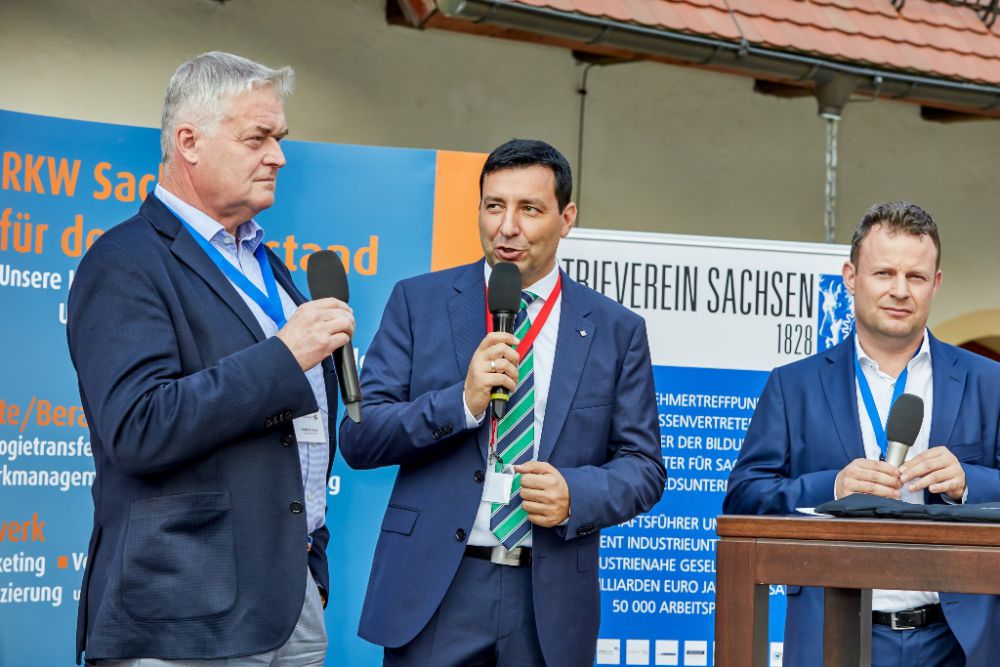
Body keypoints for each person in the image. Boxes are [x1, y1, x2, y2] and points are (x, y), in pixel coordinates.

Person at [67, 52, 354, 666]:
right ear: (189, 142)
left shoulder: (267, 264)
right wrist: (284, 356)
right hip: (185, 610)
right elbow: (138, 427)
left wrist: (313, 561)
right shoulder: (125, 261)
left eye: (280, 139)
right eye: (258, 138)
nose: (278, 157)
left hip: (290, 598)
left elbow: (301, 438)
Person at [339, 139, 665, 666]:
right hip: (435, 592)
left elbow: (643, 466)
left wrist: (575, 494)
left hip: (548, 599)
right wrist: (461, 403)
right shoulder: (418, 302)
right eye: (494, 206)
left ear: (566, 218)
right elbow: (360, 436)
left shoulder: (615, 330)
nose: (507, 227)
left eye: (529, 209)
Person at [724, 202, 1000, 666]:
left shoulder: (989, 382)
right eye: (884, 273)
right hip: (832, 633)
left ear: (935, 283)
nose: (900, 290)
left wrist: (970, 483)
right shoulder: (794, 386)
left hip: (956, 641)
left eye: (915, 276)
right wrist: (833, 488)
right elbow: (744, 498)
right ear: (851, 277)